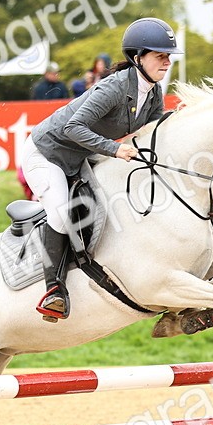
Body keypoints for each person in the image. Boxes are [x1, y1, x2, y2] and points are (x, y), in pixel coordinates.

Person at [21, 16, 181, 321]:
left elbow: (152, 129)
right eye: (160, 56)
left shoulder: (153, 92)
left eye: (168, 56)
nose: (167, 62)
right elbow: (73, 126)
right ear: (138, 58)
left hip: (80, 155)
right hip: (47, 153)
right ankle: (54, 290)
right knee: (60, 210)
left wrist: (180, 119)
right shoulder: (114, 88)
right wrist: (116, 148)